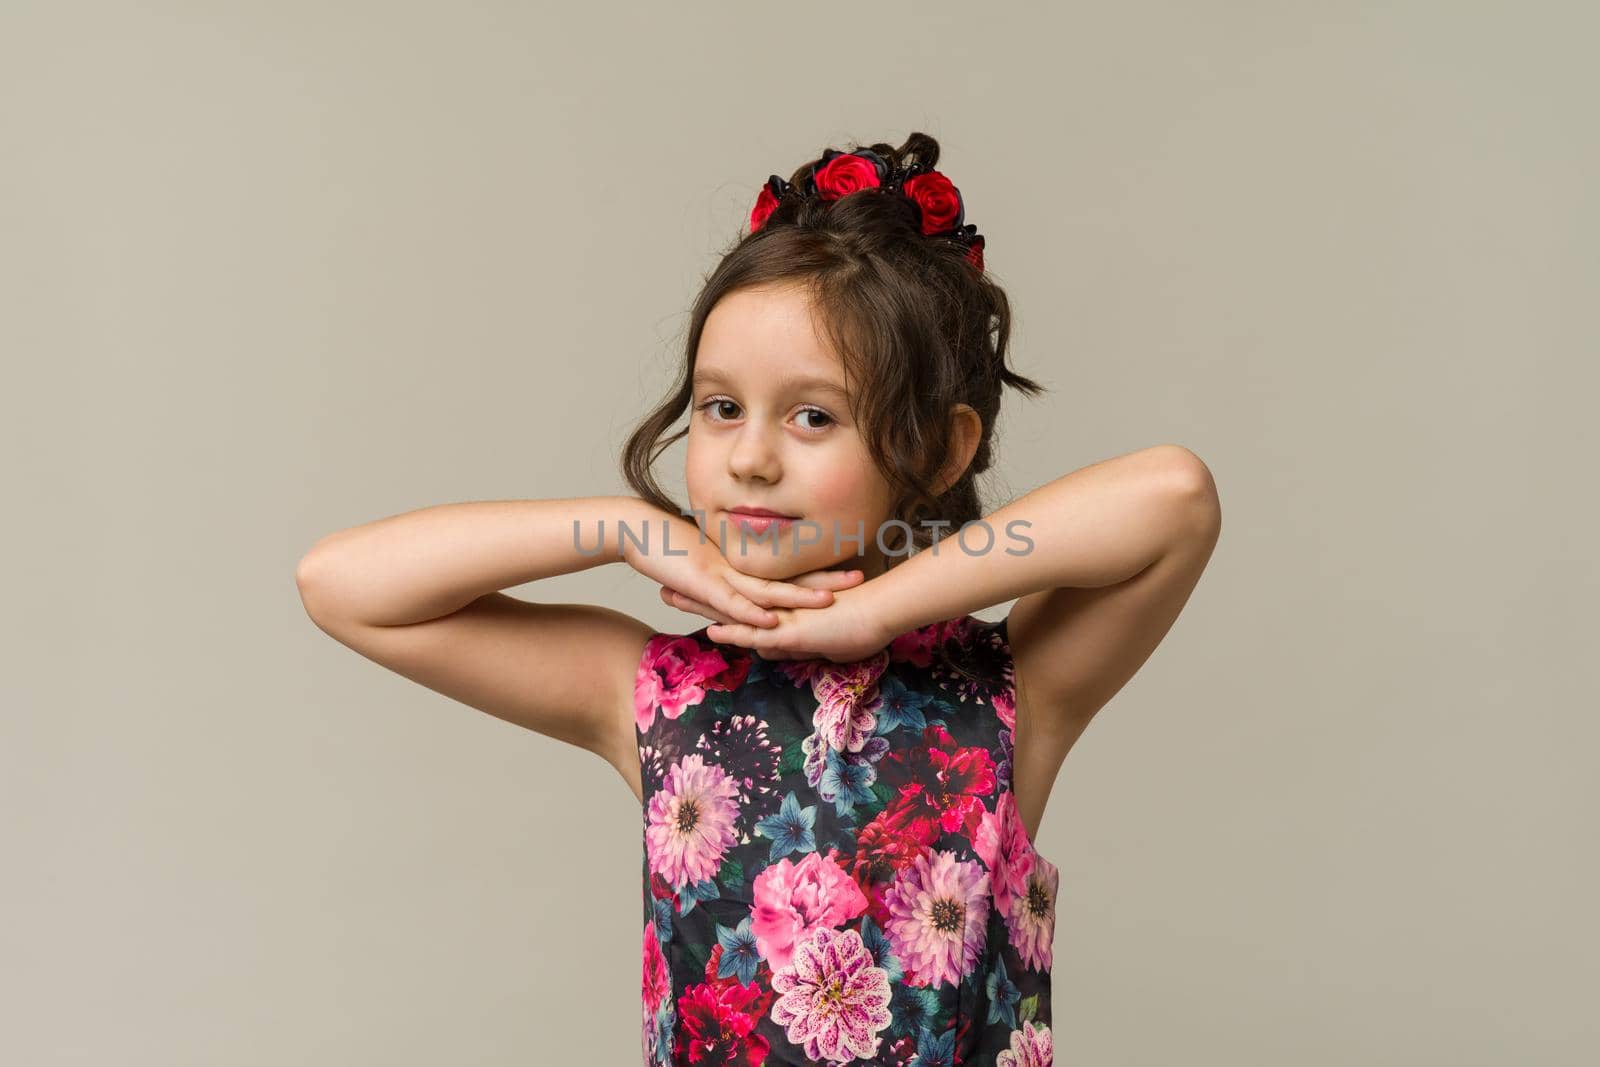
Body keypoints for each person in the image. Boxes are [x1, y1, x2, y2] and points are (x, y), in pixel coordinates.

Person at [295, 131, 1222, 1066]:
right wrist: (624, 526)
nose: (750, 457)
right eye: (720, 406)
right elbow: (342, 584)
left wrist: (878, 609)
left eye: (813, 415)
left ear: (941, 451)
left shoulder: (1010, 694)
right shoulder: (659, 694)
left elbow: (1173, 498)